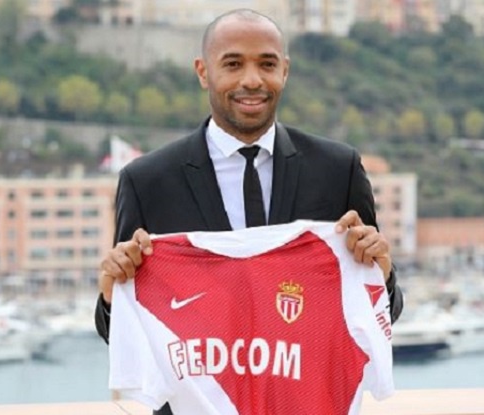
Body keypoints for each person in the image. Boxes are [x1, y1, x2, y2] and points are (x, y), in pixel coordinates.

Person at [95, 8, 403, 415]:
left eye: (267, 64)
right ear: (203, 72)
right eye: (233, 64)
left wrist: (382, 272)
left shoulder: (337, 170)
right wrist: (111, 293)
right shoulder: (147, 181)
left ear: (285, 71)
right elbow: (125, 332)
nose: (252, 80)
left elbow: (380, 312)